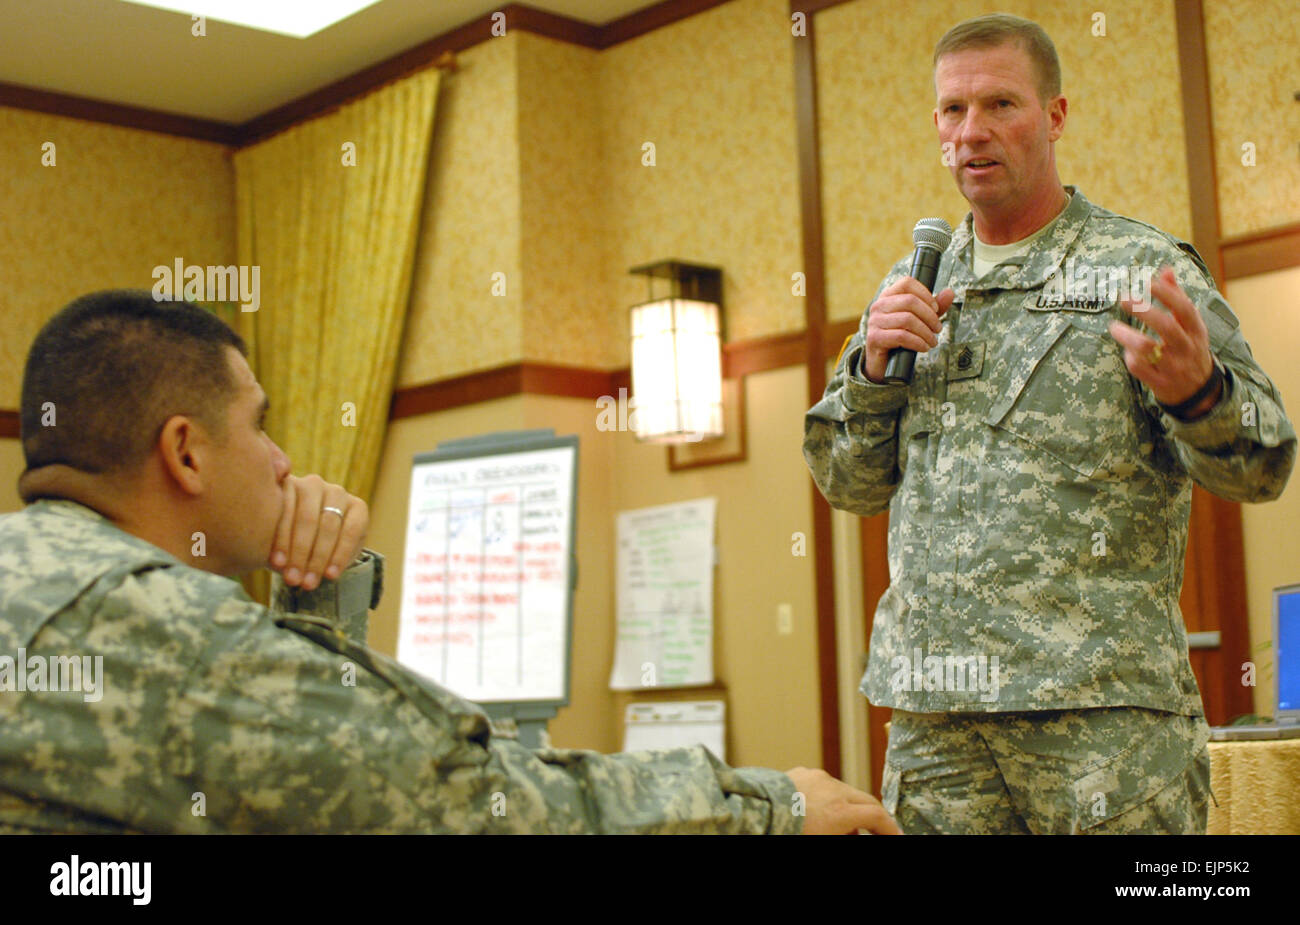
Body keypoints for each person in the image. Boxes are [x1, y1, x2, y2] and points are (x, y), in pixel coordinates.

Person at [0, 289, 899, 835]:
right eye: (260, 423)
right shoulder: (173, 636)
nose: (281, 461)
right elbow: (467, 800)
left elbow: (285, 785)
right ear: (185, 452)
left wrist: (316, 595)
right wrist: (768, 806)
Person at [803, 13, 1295, 834]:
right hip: (937, 720)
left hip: (1099, 719)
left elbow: (1264, 460)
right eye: (953, 111)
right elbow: (848, 484)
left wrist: (1200, 393)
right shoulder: (910, 289)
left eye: (1001, 104)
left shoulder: (1138, 270)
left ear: (1055, 116)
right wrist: (871, 374)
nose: (973, 132)